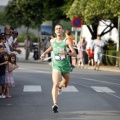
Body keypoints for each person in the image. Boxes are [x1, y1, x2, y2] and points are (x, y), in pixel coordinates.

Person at [40, 24, 76, 113]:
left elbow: (74, 53)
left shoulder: (67, 41)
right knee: (55, 83)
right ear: (55, 31)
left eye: (60, 28)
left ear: (63, 30)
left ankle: (60, 86)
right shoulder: (52, 40)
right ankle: (55, 104)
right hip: (56, 65)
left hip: (66, 66)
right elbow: (52, 47)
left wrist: (66, 53)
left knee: (66, 84)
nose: (58, 30)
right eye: (57, 29)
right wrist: (44, 53)